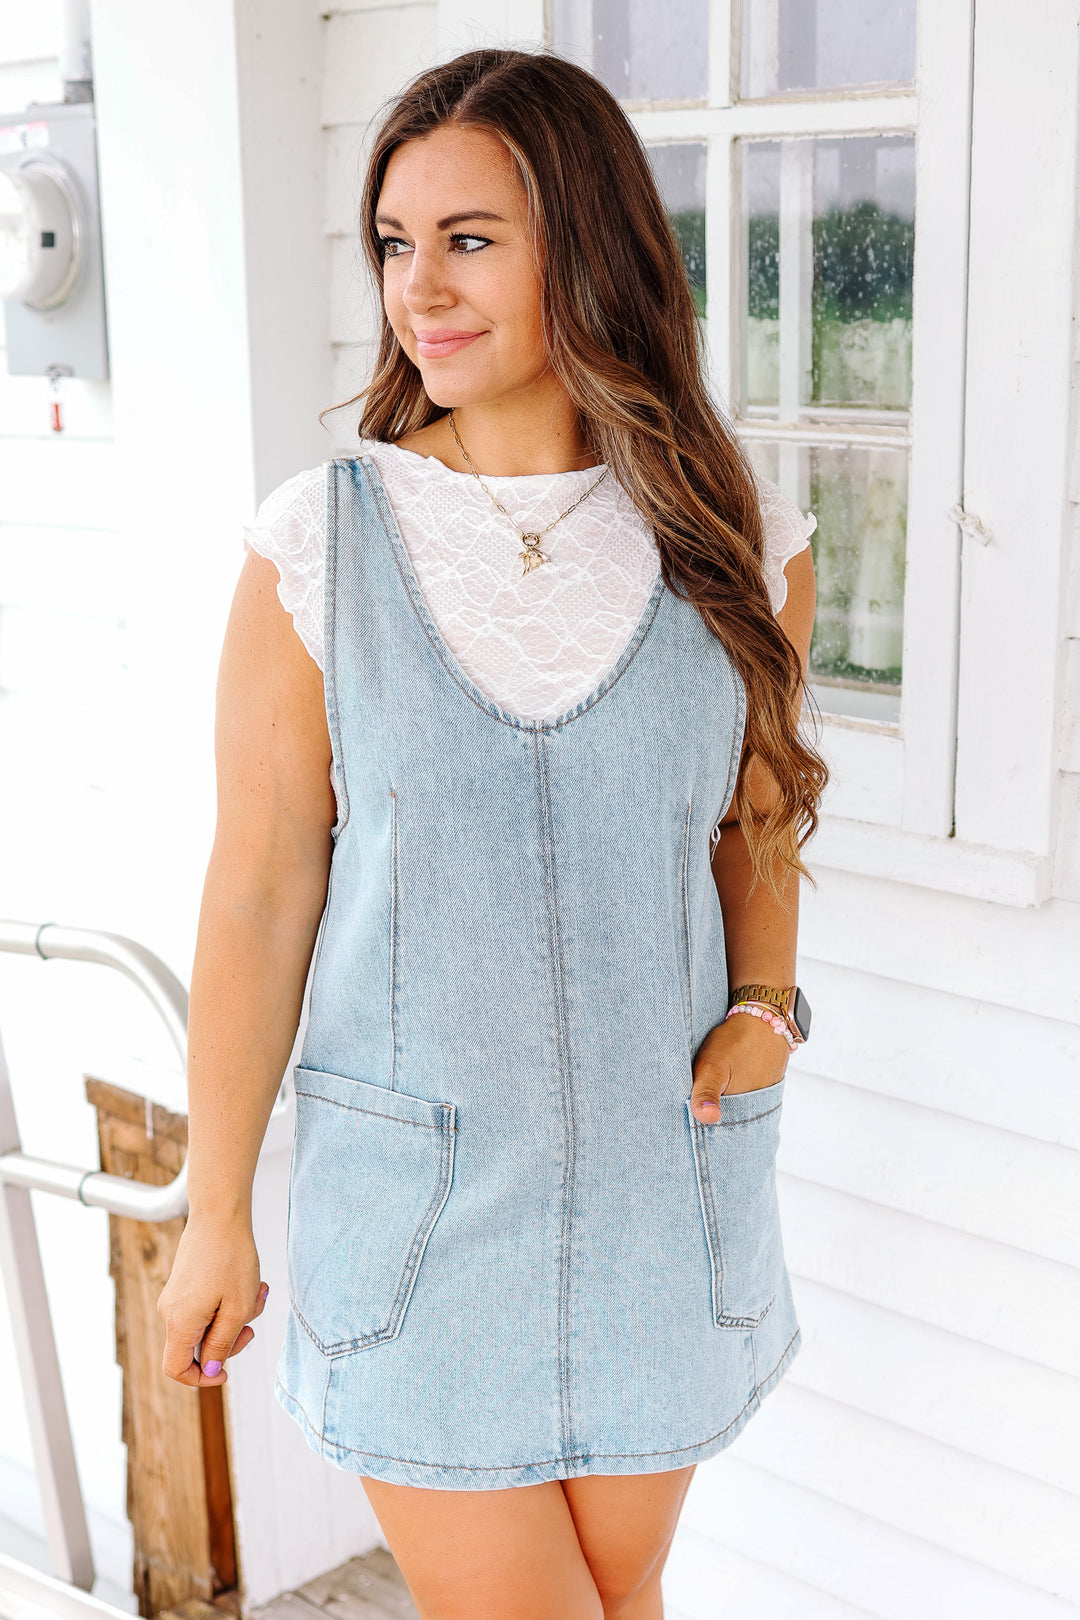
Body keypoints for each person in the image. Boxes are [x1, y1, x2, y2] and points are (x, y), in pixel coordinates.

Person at [157, 46, 827, 1620]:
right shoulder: (321, 541)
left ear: (588, 247)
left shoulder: (736, 537)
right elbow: (259, 892)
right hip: (424, 1220)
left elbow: (758, 815)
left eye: (469, 239)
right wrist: (215, 1208)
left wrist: (761, 1008)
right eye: (397, 243)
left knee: (621, 1598)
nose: (420, 288)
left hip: (665, 1197)